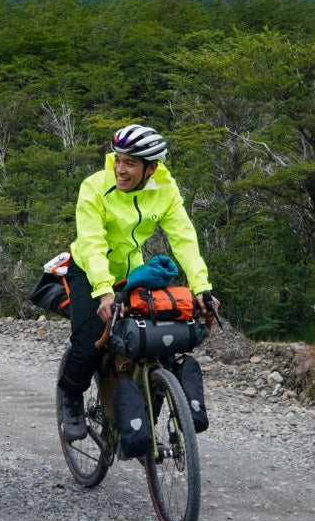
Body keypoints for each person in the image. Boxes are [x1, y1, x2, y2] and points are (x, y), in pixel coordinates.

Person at [57, 124, 218, 441]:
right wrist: (103, 290)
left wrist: (201, 287)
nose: (120, 169)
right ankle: (71, 398)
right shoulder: (94, 187)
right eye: (118, 160)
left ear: (151, 168)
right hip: (88, 269)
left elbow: (183, 238)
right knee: (89, 342)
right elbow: (92, 243)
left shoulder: (165, 188)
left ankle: (150, 404)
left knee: (159, 341)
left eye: (130, 163)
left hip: (133, 269)